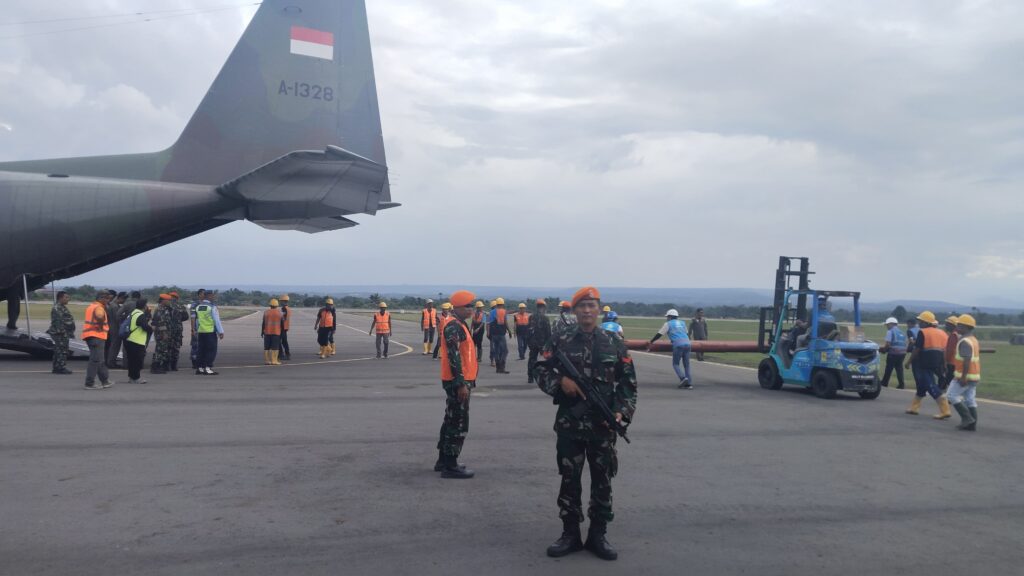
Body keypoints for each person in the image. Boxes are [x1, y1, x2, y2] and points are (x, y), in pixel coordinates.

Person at [535, 286, 637, 561]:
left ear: (599, 309)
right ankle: (570, 534)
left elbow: (628, 383)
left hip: (603, 427)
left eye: (592, 305)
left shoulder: (614, 342)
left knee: (603, 481)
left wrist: (621, 412)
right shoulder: (561, 338)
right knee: (570, 480)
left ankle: (598, 535)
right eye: (583, 306)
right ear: (576, 310)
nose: (587, 310)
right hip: (570, 425)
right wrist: (561, 382)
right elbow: (540, 368)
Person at [435, 290, 479, 479]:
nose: (471, 309)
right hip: (458, 381)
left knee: (450, 418)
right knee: (458, 421)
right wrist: (461, 383)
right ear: (458, 307)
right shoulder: (454, 326)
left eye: (472, 305)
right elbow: (454, 357)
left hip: (459, 379)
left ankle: (443, 461)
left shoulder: (459, 324)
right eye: (468, 306)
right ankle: (451, 466)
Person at [903, 311, 950, 419]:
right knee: (922, 384)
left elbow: (917, 349)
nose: (919, 323)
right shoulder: (942, 333)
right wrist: (944, 364)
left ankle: (945, 409)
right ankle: (914, 407)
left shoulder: (923, 332)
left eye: (921, 321)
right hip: (937, 361)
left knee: (929, 384)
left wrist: (909, 362)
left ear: (926, 322)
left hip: (924, 362)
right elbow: (945, 350)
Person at [947, 314, 980, 431]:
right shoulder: (973, 339)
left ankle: (967, 419)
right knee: (970, 399)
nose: (957, 327)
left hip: (964, 376)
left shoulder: (964, 341)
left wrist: (963, 377)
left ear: (966, 327)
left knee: (951, 395)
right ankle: (972, 424)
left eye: (959, 325)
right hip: (974, 376)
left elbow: (967, 360)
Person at [647, 309, 693, 389]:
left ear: (670, 317)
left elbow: (659, 334)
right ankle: (689, 384)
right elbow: (686, 334)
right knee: (686, 365)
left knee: (675, 364)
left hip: (678, 344)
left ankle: (683, 378)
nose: (667, 318)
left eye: (667, 317)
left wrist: (651, 341)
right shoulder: (682, 323)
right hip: (688, 343)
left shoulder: (668, 324)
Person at [82, 291, 113, 390]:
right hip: (96, 336)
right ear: (101, 298)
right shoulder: (99, 308)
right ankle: (89, 383)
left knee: (99, 360)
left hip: (91, 336)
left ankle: (105, 381)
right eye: (107, 298)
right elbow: (99, 316)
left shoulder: (91, 306)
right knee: (95, 360)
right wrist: (100, 325)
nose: (108, 301)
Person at [192, 291, 224, 375]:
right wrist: (220, 331)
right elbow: (216, 320)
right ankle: (207, 368)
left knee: (201, 350)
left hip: (201, 331)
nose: (213, 297)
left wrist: (196, 330)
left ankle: (200, 368)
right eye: (212, 296)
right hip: (210, 331)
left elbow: (197, 320)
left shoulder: (198, 307)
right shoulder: (212, 307)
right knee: (211, 350)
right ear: (209, 296)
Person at [124, 298, 153, 384]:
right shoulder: (140, 315)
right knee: (137, 361)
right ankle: (136, 378)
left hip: (129, 339)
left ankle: (131, 377)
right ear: (144, 306)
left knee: (131, 360)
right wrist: (152, 329)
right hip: (136, 341)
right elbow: (145, 326)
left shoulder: (133, 313)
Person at [47, 290, 75, 375]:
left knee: (59, 350)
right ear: (60, 298)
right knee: (62, 351)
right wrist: (63, 333)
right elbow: (58, 322)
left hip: (62, 333)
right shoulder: (57, 308)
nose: (68, 299)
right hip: (60, 333)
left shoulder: (62, 307)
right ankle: (61, 368)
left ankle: (57, 367)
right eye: (66, 297)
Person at [879, 317, 907, 389]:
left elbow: (888, 344)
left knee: (889, 368)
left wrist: (883, 350)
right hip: (902, 353)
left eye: (887, 325)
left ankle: (884, 382)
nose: (887, 326)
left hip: (893, 353)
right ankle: (901, 384)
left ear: (891, 324)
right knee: (899, 368)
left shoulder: (890, 331)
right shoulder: (902, 332)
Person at [527, 299, 551, 384]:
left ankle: (530, 377)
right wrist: (549, 344)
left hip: (533, 343)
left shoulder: (531, 317)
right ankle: (544, 378)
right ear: (543, 307)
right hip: (542, 343)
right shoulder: (545, 318)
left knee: (532, 359)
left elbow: (528, 330)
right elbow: (548, 332)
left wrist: (528, 342)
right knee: (545, 361)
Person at [150, 294, 174, 374]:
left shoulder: (165, 309)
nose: (169, 302)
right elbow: (161, 322)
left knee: (162, 349)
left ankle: (159, 366)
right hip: (161, 333)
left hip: (164, 332)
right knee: (160, 350)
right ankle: (156, 367)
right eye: (168, 300)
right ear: (163, 301)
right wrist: (164, 333)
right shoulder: (160, 309)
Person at [489, 297, 512, 373]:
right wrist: (509, 331)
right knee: (505, 351)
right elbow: (506, 322)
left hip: (494, 334)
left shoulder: (491, 312)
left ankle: (498, 368)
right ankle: (502, 367)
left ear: (496, 304)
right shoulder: (504, 311)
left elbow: (489, 323)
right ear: (503, 304)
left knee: (496, 350)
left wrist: (489, 333)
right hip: (501, 334)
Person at [104, 290, 125, 368]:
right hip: (115, 328)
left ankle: (109, 362)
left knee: (112, 346)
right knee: (115, 346)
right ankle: (111, 363)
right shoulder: (115, 306)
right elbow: (117, 318)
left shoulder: (112, 305)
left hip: (111, 328)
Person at [168, 292, 187, 371]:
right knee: (176, 347)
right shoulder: (181, 306)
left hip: (169, 329)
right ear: (177, 298)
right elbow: (186, 317)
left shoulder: (167, 305)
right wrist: (179, 320)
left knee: (168, 346)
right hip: (178, 329)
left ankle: (168, 365)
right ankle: (174, 365)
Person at [188, 289, 206, 370]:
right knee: (195, 345)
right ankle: (194, 362)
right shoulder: (195, 304)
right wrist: (193, 329)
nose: (204, 295)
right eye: (203, 294)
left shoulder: (207, 304)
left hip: (205, 328)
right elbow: (193, 317)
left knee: (205, 345)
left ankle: (203, 361)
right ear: (199, 295)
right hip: (197, 327)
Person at [262, 298, 283, 365]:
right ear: (277, 305)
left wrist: (262, 332)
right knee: (275, 347)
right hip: (276, 332)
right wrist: (282, 333)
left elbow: (263, 323)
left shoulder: (266, 312)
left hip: (267, 332)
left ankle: (267, 361)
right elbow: (282, 324)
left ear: (270, 305)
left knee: (266, 347)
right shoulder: (280, 313)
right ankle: (274, 361)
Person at [942, 315, 960, 391]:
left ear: (952, 325)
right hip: (957, 362)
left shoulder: (953, 335)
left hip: (951, 362)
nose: (945, 326)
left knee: (950, 382)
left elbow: (950, 350)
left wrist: (945, 361)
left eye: (947, 324)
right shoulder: (959, 334)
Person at [278, 294, 292, 361]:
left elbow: (282, 318)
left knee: (278, 341)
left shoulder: (284, 309)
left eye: (281, 301)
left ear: (284, 301)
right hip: (286, 327)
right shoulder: (288, 308)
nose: (280, 302)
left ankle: (281, 354)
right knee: (284, 342)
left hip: (282, 327)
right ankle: (287, 354)